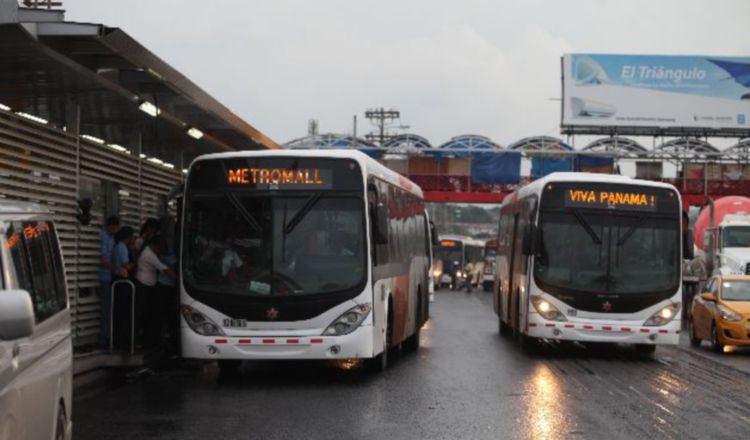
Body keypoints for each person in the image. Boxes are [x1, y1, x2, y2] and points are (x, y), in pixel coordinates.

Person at [135, 235, 176, 348]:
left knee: (146, 312)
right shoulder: (149, 254)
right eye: (159, 247)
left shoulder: (152, 252)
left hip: (148, 286)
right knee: (141, 312)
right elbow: (164, 269)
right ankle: (138, 339)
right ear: (154, 245)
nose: (160, 250)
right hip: (143, 285)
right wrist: (178, 280)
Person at [99, 215, 121, 347]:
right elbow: (103, 258)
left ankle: (108, 338)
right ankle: (104, 340)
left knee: (109, 310)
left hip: (110, 277)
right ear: (111, 226)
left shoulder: (112, 238)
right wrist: (116, 269)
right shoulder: (104, 237)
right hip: (105, 277)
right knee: (106, 311)